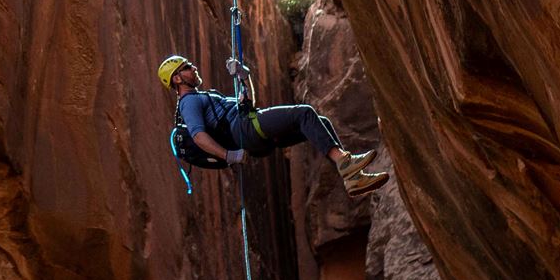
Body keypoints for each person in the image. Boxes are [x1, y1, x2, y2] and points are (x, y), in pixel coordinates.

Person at [157, 54, 388, 193]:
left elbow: (248, 104)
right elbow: (198, 136)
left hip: (249, 126)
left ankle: (352, 179)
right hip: (245, 130)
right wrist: (229, 155)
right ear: (177, 78)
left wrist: (244, 77)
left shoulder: (203, 97)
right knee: (305, 113)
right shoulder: (188, 103)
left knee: (320, 123)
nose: (193, 68)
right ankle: (345, 165)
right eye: (187, 67)